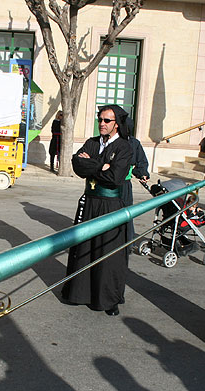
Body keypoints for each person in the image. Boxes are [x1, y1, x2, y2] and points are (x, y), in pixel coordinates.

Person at [62, 105, 133, 316]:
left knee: (108, 252)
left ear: (117, 124)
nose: (102, 123)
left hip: (111, 206)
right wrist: (101, 165)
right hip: (90, 202)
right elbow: (76, 165)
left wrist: (91, 164)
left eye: (107, 121)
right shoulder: (93, 142)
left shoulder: (124, 147)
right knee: (84, 247)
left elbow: (115, 178)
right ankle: (80, 294)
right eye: (100, 119)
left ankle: (108, 300)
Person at [121, 117, 150, 253]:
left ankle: (128, 241)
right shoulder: (108, 140)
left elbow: (141, 161)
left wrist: (142, 173)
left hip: (125, 184)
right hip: (108, 184)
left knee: (127, 213)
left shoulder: (134, 143)